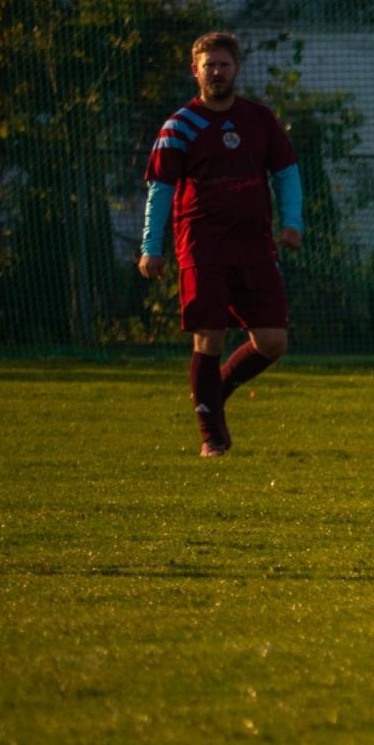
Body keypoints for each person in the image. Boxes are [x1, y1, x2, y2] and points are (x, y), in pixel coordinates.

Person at [139, 31, 303, 457]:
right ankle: (212, 435)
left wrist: (293, 223)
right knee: (208, 338)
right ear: (195, 70)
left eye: (223, 64)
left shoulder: (259, 119)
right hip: (202, 247)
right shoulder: (180, 125)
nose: (216, 71)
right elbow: (161, 190)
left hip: (254, 247)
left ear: (237, 68)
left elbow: (286, 172)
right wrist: (151, 247)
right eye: (208, 64)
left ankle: (215, 392)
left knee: (273, 341)